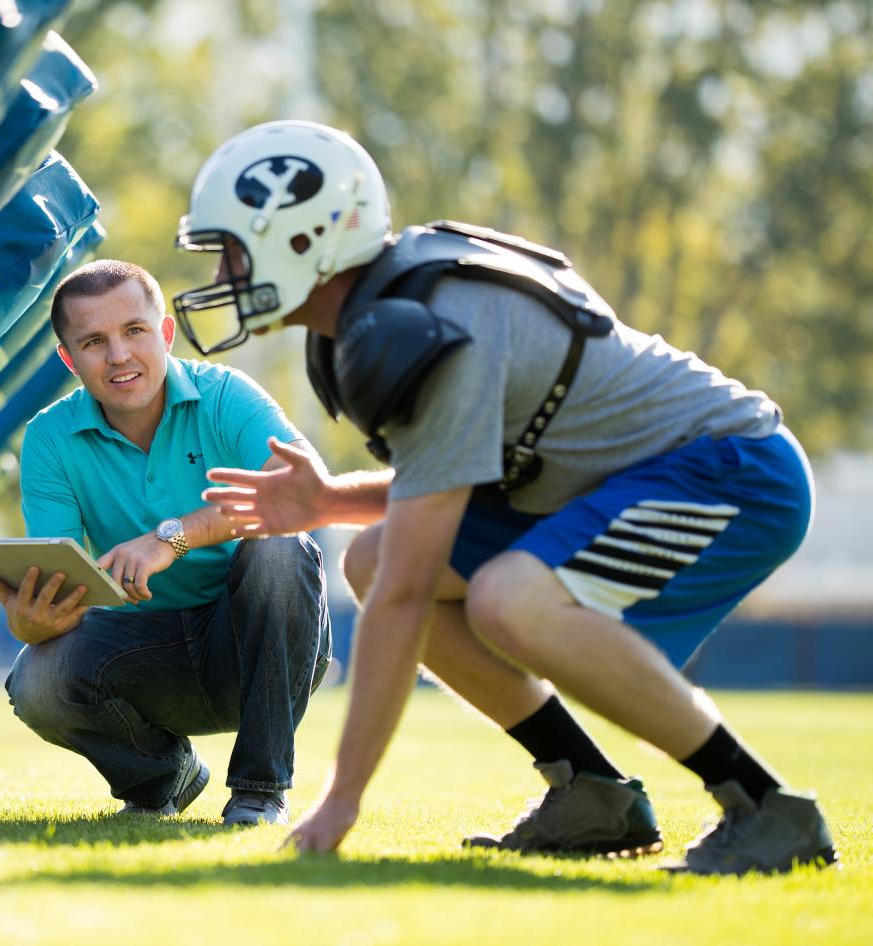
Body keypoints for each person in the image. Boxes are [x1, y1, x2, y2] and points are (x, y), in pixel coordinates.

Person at [172, 120, 837, 874]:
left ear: (303, 238)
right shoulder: (380, 317)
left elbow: (409, 593)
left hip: (735, 471)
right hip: (622, 481)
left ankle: (765, 806)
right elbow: (448, 484)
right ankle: (591, 793)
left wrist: (343, 799)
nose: (224, 272)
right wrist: (328, 501)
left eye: (232, 248)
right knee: (373, 555)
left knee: (504, 597)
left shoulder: (431, 324)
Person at [0, 259, 333, 826]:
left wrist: (173, 538)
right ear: (69, 359)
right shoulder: (49, 436)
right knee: (35, 678)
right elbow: (65, 585)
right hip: (143, 650)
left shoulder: (225, 396)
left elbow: (304, 488)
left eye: (134, 331)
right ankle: (162, 776)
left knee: (277, 548)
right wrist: (32, 624)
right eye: (94, 341)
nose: (119, 356)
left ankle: (260, 791)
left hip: (258, 647)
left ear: (165, 334)